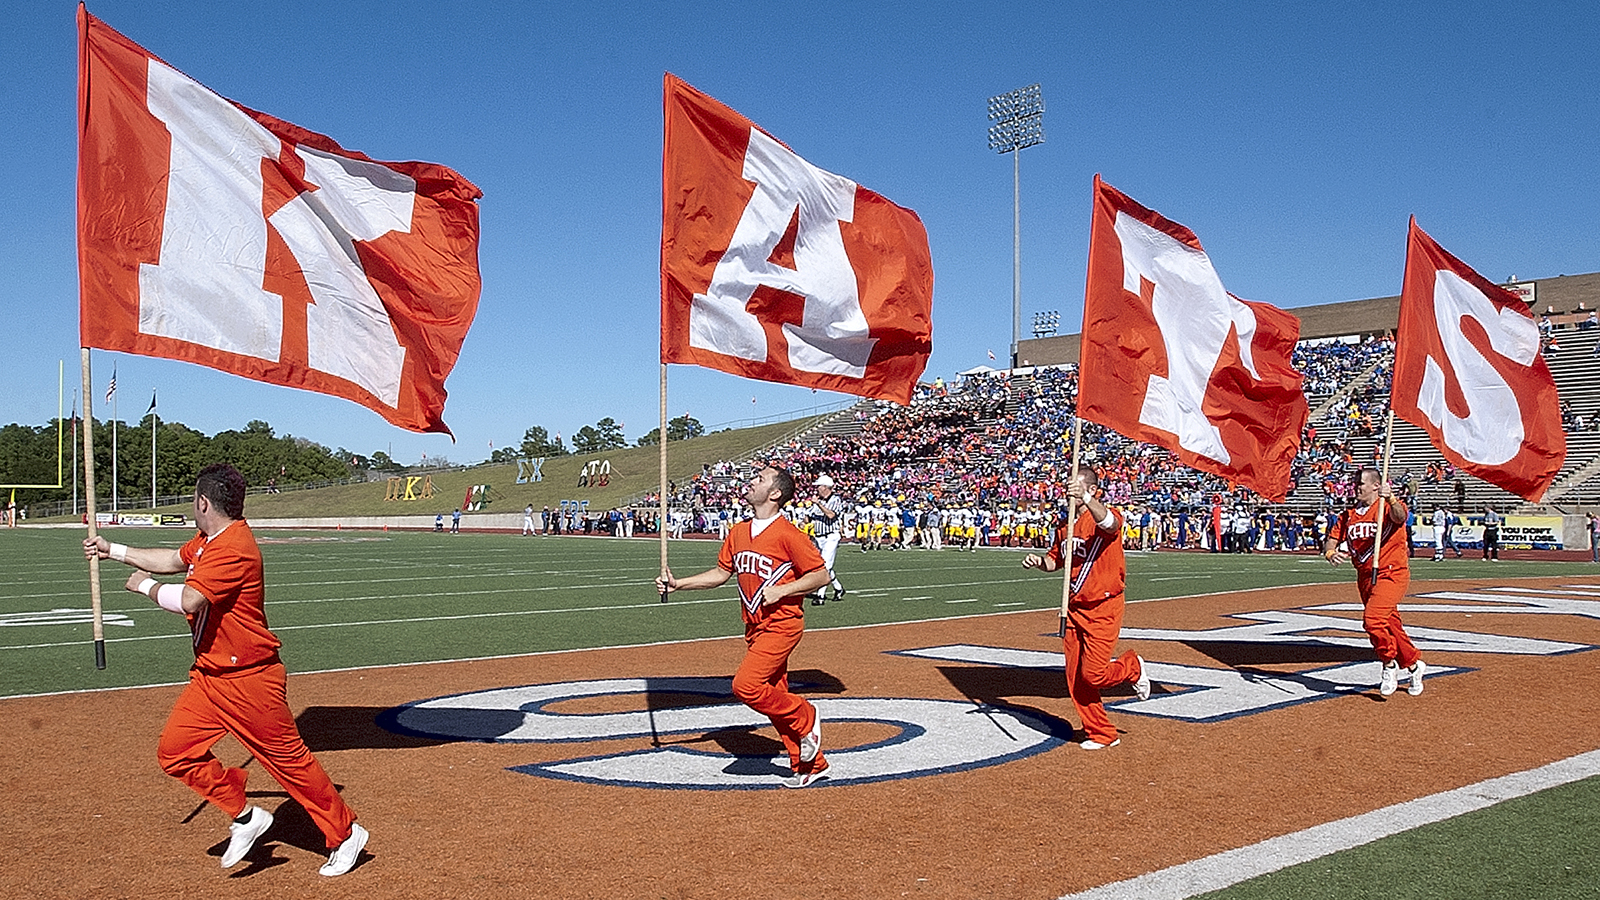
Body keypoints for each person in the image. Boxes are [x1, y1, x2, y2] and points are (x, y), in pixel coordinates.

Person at [82, 463, 368, 876]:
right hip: (210, 677)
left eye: (193, 501)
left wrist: (142, 586)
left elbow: (190, 601)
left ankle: (345, 833)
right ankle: (247, 817)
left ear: (203, 502)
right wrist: (115, 551)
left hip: (250, 679)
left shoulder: (234, 546)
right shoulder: (207, 539)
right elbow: (171, 560)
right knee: (176, 753)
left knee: (291, 766)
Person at [656, 465, 832, 787]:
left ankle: (807, 717)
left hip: (782, 625)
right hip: (754, 627)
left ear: (775, 493)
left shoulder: (789, 535)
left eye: (760, 479)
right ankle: (811, 764)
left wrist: (783, 590)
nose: (751, 481)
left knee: (746, 686)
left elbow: (821, 576)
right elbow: (721, 574)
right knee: (775, 696)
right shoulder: (738, 532)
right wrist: (678, 584)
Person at [1021, 467, 1151, 750]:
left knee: (1094, 674)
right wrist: (1039, 562)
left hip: (1103, 606)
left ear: (1091, 490)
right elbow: (1056, 561)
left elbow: (1111, 525)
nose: (1070, 493)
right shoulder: (1064, 525)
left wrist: (1087, 499)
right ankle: (1102, 733)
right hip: (1074, 608)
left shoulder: (1103, 515)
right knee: (1076, 678)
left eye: (1077, 489)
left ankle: (1131, 667)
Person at [1325, 467, 1428, 697]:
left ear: (1375, 485)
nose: (1356, 486)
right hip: (1364, 576)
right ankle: (1413, 665)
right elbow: (1331, 541)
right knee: (1390, 623)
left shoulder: (1387, 507)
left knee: (1373, 620)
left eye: (1361, 483)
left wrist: (1389, 496)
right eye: (1355, 482)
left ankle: (1388, 662)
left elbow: (1401, 517)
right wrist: (1331, 555)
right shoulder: (1347, 515)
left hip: (1391, 573)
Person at [804, 475, 847, 605]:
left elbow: (831, 514)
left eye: (819, 486)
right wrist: (807, 510)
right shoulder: (818, 501)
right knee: (824, 566)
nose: (817, 489)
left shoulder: (835, 499)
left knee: (824, 566)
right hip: (819, 536)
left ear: (825, 487)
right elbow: (807, 519)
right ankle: (838, 589)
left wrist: (818, 504)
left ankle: (820, 596)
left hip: (831, 535)